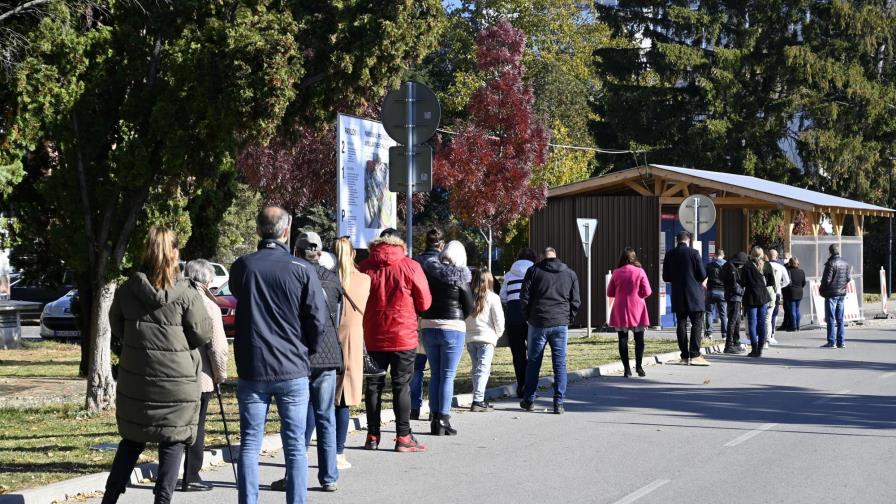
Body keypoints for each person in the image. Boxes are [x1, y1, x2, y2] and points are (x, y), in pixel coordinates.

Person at [102, 227, 212, 504]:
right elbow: (202, 333)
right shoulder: (187, 293)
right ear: (174, 253)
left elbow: (117, 327)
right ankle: (162, 500)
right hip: (178, 383)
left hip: (137, 379)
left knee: (131, 440)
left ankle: (110, 497)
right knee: (172, 443)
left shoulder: (128, 289)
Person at [229, 206, 327, 504]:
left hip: (253, 366)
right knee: (296, 444)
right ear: (286, 231)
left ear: (259, 230)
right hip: (292, 366)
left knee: (249, 444)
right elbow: (317, 321)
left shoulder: (243, 266)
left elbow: (237, 294)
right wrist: (306, 350)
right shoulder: (302, 269)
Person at [270, 232, 344, 493]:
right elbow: (336, 316)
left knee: (295, 420)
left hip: (299, 354)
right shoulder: (333, 279)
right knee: (326, 417)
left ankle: (293, 476)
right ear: (320, 252)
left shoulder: (293, 275)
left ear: (297, 251)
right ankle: (329, 476)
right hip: (327, 354)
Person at [359, 233, 432, 452]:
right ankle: (403, 437)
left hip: (373, 335)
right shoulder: (410, 266)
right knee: (402, 386)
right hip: (403, 335)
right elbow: (425, 301)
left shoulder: (364, 267)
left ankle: (372, 436)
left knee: (373, 386)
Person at [181, 260, 229, 493]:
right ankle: (191, 475)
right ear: (207, 281)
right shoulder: (209, 306)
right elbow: (218, 347)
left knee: (175, 425)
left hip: (173, 374)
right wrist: (221, 376)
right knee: (196, 426)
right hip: (200, 376)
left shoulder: (175, 296)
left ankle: (167, 477)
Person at [420, 240, 473, 435]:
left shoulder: (429, 273)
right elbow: (469, 305)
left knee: (435, 374)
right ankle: (443, 418)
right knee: (447, 375)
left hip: (428, 326)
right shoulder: (460, 277)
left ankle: (434, 418)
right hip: (452, 327)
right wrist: (458, 318)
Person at [519, 247, 580, 414]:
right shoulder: (570, 273)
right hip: (560, 322)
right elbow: (576, 300)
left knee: (533, 362)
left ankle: (529, 399)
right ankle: (559, 403)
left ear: (542, 257)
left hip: (538, 321)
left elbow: (524, 296)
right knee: (559, 363)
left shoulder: (533, 271)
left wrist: (528, 316)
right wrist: (569, 318)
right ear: (556, 256)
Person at [332, 237, 370, 469]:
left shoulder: (324, 278)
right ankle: (338, 451)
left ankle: (303, 448)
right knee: (343, 400)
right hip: (352, 341)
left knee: (316, 397)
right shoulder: (364, 280)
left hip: (327, 338)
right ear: (353, 254)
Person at [410, 228, 445, 420]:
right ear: (441, 244)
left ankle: (414, 406)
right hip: (438, 316)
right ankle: (435, 409)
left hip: (417, 316)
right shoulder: (444, 263)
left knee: (417, 367)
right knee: (437, 367)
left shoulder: (416, 261)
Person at [662, 231, 709, 366]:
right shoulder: (693, 253)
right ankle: (695, 354)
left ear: (677, 240)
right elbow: (702, 274)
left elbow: (666, 277)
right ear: (688, 240)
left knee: (681, 324)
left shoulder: (669, 254)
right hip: (694, 295)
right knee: (697, 323)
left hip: (678, 294)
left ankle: (684, 356)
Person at [607, 247, 652, 377]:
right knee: (639, 339)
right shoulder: (640, 271)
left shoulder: (616, 272)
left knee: (622, 339)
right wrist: (640, 295)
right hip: (637, 307)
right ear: (634, 257)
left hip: (620, 308)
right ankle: (639, 367)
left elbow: (610, 292)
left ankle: (627, 369)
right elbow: (648, 291)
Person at [500, 248, 537, 398]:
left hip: (513, 316)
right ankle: (530, 388)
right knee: (534, 352)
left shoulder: (509, 275)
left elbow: (503, 296)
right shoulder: (535, 272)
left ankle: (520, 385)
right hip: (531, 316)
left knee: (518, 353)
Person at [466, 268, 505, 411]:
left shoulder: (468, 297)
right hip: (487, 337)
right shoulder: (493, 297)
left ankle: (477, 397)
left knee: (476, 368)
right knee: (483, 369)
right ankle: (478, 400)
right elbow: (499, 319)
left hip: (470, 337)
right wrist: (498, 334)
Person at [740, 246, 774, 357]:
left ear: (752, 254)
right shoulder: (767, 265)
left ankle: (754, 348)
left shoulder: (747, 266)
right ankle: (760, 349)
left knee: (752, 323)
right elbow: (770, 282)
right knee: (762, 322)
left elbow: (743, 283)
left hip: (751, 296)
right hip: (763, 296)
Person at [820, 243, 851, 348]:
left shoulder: (830, 263)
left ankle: (831, 341)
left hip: (831, 293)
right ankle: (841, 341)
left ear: (830, 252)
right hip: (841, 293)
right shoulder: (845, 263)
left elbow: (826, 280)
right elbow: (848, 278)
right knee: (840, 319)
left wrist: (822, 288)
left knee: (831, 318)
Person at [720, 251, 748, 354]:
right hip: (734, 297)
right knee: (732, 320)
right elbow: (734, 285)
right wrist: (742, 292)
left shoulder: (727, 265)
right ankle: (729, 345)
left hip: (731, 296)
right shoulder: (731, 268)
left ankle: (736, 342)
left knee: (736, 321)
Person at [766, 249, 790, 345]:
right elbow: (787, 281)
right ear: (777, 256)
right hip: (777, 293)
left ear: (768, 255)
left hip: (766, 292)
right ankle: (771, 335)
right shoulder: (781, 267)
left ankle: (764, 335)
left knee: (765, 314)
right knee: (774, 315)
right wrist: (780, 286)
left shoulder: (764, 265)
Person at [704, 249, 727, 342]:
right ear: (723, 255)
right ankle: (724, 335)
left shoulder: (709, 265)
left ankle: (709, 334)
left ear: (715, 255)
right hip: (723, 292)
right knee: (723, 314)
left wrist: (706, 287)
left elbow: (703, 278)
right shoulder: (727, 265)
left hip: (711, 291)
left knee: (709, 313)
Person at [783, 256, 806, 331]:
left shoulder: (787, 271)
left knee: (792, 310)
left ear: (790, 263)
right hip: (799, 292)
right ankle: (798, 326)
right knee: (797, 309)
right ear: (797, 263)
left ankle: (794, 326)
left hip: (791, 292)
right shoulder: (801, 271)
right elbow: (804, 283)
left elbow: (785, 282)